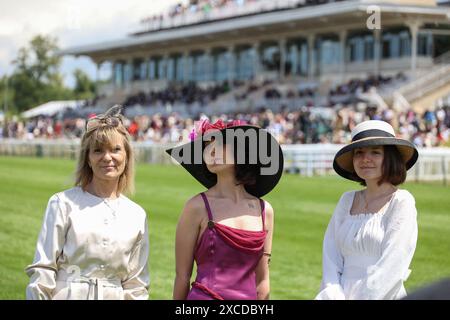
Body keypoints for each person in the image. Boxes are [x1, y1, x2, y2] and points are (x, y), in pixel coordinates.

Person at [25, 105, 149, 300]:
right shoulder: (62, 203)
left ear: (126, 156)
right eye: (98, 150)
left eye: (116, 149)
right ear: (88, 159)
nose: (107, 157)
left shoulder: (136, 215)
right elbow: (44, 269)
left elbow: (136, 283)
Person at [167, 119, 284, 300]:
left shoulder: (265, 211)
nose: (211, 151)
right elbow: (182, 277)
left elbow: (262, 280)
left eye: (220, 144)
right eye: (207, 145)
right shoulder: (196, 207)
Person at [316, 120, 419, 300]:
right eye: (359, 153)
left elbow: (393, 264)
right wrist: (333, 295)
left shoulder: (401, 202)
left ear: (390, 158)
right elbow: (330, 257)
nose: (365, 159)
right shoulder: (347, 200)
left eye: (375, 152)